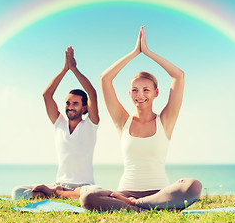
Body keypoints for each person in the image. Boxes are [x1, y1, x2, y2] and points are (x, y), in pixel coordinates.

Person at [79, 26, 202, 212]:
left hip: (159, 194)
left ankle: (139, 206)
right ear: (129, 93)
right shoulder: (123, 121)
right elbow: (105, 78)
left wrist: (148, 52)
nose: (140, 95)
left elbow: (179, 75)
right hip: (125, 194)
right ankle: (145, 207)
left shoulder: (165, 121)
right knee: (88, 197)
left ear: (156, 93)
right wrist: (134, 53)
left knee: (193, 185)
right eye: (135, 90)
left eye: (146, 90)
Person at [11, 46, 100, 200]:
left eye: (75, 103)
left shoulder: (91, 125)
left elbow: (92, 93)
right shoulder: (59, 123)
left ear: (84, 107)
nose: (70, 106)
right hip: (59, 183)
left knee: (93, 192)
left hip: (84, 186)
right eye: (68, 103)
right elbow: (47, 95)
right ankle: (58, 193)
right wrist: (65, 69)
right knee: (17, 191)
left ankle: (55, 194)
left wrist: (74, 69)